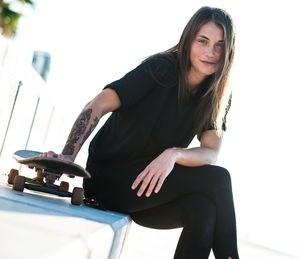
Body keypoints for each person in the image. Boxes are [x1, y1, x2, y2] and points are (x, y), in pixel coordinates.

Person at [43, 6, 239, 259]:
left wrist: (174, 154)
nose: (210, 52)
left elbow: (210, 153)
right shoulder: (162, 69)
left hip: (146, 188)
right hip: (108, 180)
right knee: (218, 179)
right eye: (203, 41)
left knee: (203, 208)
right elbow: (98, 104)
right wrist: (68, 156)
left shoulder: (218, 95)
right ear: (189, 40)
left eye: (220, 45)